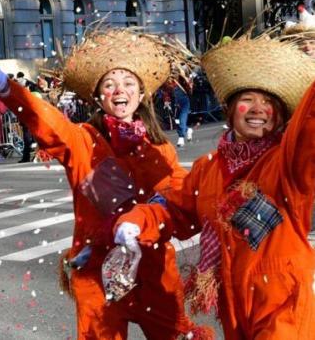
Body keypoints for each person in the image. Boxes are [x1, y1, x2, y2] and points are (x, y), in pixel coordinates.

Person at [0, 29, 206, 339]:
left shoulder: (161, 149)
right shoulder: (82, 140)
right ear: (99, 95)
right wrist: (6, 87)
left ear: (141, 95)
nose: (120, 91)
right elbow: (47, 122)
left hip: (153, 265)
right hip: (96, 271)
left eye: (129, 83)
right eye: (110, 84)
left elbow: (180, 202)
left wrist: (145, 223)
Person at [115, 34, 315, 339]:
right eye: (248, 100)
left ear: (281, 117)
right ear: (231, 109)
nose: (258, 109)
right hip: (234, 308)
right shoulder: (208, 168)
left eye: (269, 103)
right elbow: (174, 207)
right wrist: (135, 222)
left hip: (283, 308)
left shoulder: (286, 163)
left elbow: (310, 127)